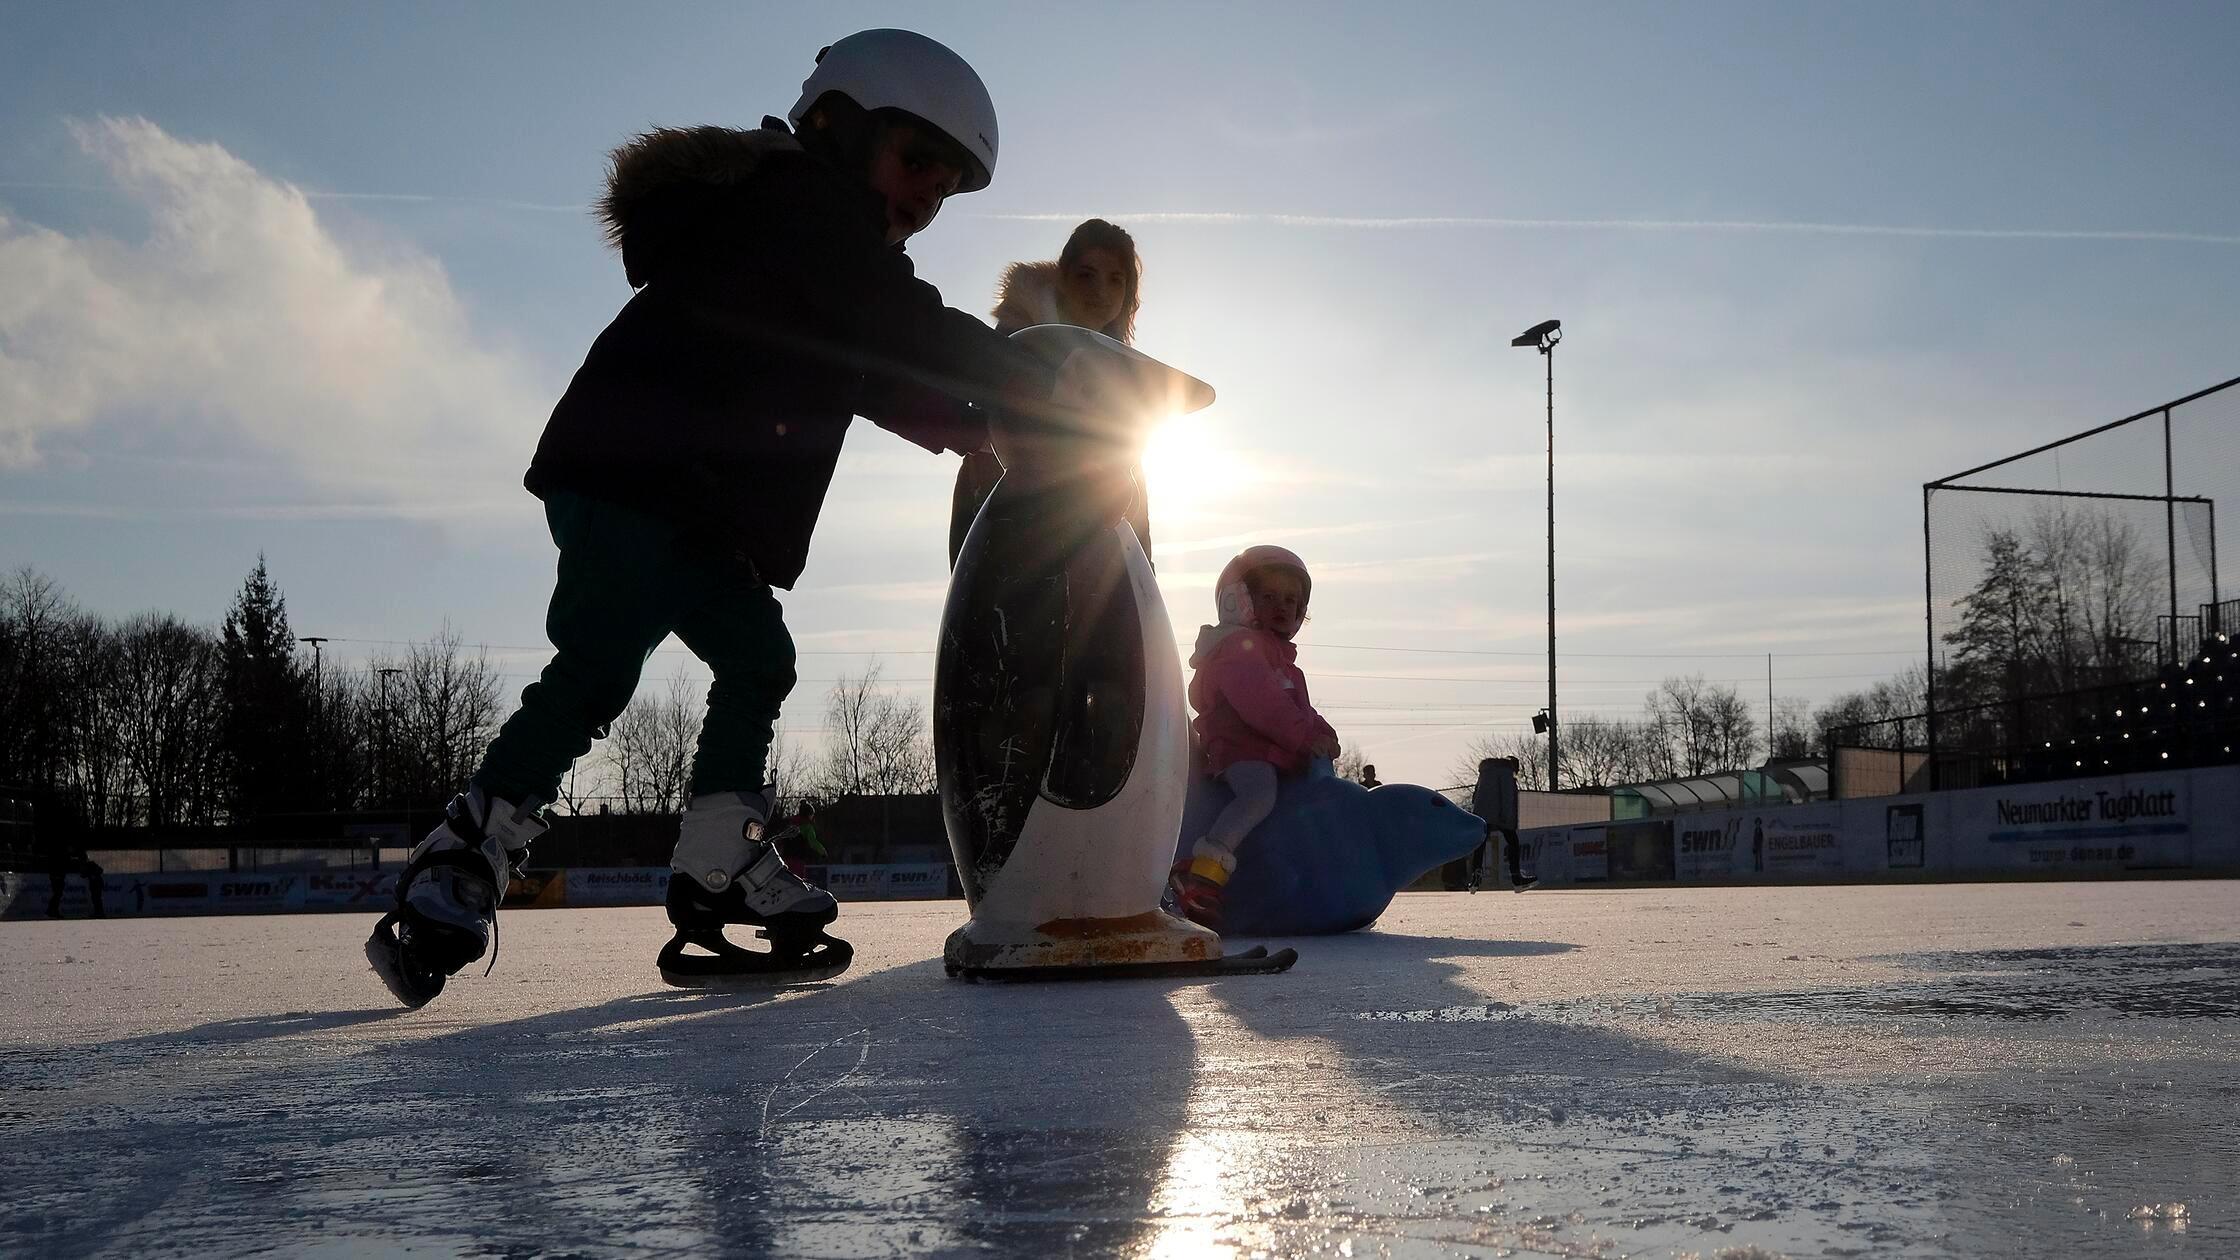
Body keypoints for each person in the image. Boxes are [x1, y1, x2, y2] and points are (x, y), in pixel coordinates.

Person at [367, 29, 1079, 1005]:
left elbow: (859, 367)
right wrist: (1043, 374)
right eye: (916, 161)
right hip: (634, 478)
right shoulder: (801, 208)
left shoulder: (816, 247)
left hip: (695, 506)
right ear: (837, 125)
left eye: (944, 186)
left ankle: (716, 860)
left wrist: (977, 428)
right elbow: (895, 325)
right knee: (597, 669)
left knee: (756, 660)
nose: (925, 196)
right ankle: (461, 857)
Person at [948, 219, 1146, 566]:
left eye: (1117, 280)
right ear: (1063, 278)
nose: (1101, 291)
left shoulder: (1124, 376)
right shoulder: (1014, 345)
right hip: (1008, 537)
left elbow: (1131, 488)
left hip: (1098, 556)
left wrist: (1142, 572)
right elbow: (984, 449)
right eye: (1087, 274)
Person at [1172, 546, 1340, 929]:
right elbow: (1260, 704)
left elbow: (1300, 711)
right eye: (1268, 597)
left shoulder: (1285, 663)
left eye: (1291, 600)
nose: (1281, 606)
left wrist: (1322, 732)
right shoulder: (1237, 649)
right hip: (1238, 748)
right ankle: (1200, 872)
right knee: (1258, 794)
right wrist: (1302, 738)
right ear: (1238, 601)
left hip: (1274, 749)